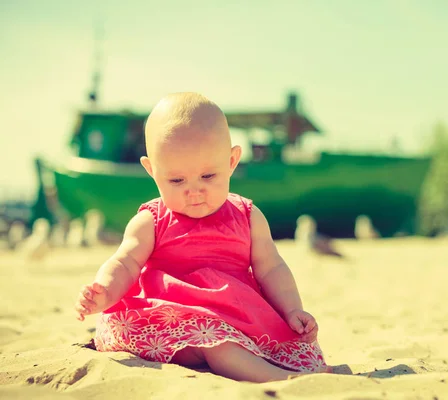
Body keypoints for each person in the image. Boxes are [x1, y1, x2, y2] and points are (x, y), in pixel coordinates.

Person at [74, 92, 329, 382]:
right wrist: (105, 291)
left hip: (235, 318)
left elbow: (271, 268)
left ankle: (269, 367)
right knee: (217, 344)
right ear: (151, 171)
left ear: (232, 161)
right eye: (177, 180)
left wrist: (292, 309)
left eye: (208, 176)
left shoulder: (247, 217)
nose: (194, 191)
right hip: (169, 321)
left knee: (227, 340)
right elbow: (125, 261)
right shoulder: (151, 220)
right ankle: (279, 381)